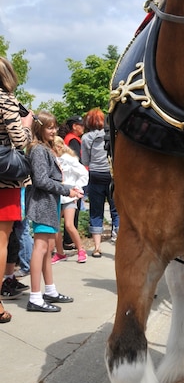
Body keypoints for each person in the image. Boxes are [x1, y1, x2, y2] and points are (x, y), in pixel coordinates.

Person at [25, 111, 83, 312]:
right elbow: (41, 180)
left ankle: (49, 291)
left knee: (48, 248)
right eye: (49, 127)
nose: (54, 130)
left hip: (49, 204)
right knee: (40, 249)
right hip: (42, 204)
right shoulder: (39, 150)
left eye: (55, 127)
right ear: (39, 128)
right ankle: (35, 297)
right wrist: (68, 189)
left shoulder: (44, 149)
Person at [0, 57, 33, 322]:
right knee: (1, 240)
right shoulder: (6, 100)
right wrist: (28, 126)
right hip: (4, 180)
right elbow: (19, 140)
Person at [81, 108, 118, 257]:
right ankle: (119, 241)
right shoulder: (111, 135)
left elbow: (85, 161)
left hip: (95, 175)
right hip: (111, 174)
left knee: (96, 211)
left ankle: (97, 248)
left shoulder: (86, 138)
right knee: (116, 209)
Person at [52, 136, 88, 263]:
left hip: (69, 196)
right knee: (55, 227)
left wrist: (77, 188)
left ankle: (81, 250)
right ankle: (60, 253)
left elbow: (83, 173)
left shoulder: (69, 159)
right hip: (56, 196)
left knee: (69, 224)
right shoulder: (51, 159)